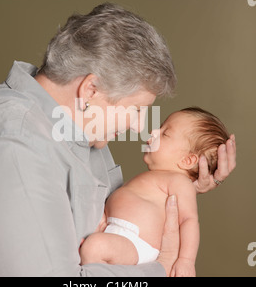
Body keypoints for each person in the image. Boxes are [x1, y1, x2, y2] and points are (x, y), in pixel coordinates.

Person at [0, 3, 236, 277]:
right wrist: (161, 268)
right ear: (91, 89)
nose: (140, 125)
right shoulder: (12, 146)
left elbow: (120, 219)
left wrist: (181, 182)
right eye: (137, 110)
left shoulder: (75, 129)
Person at [79, 107, 234, 276]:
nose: (153, 132)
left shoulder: (180, 182)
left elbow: (189, 220)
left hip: (135, 242)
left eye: (165, 133)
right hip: (116, 232)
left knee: (94, 248)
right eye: (160, 127)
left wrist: (186, 260)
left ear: (188, 160)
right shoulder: (157, 177)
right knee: (89, 247)